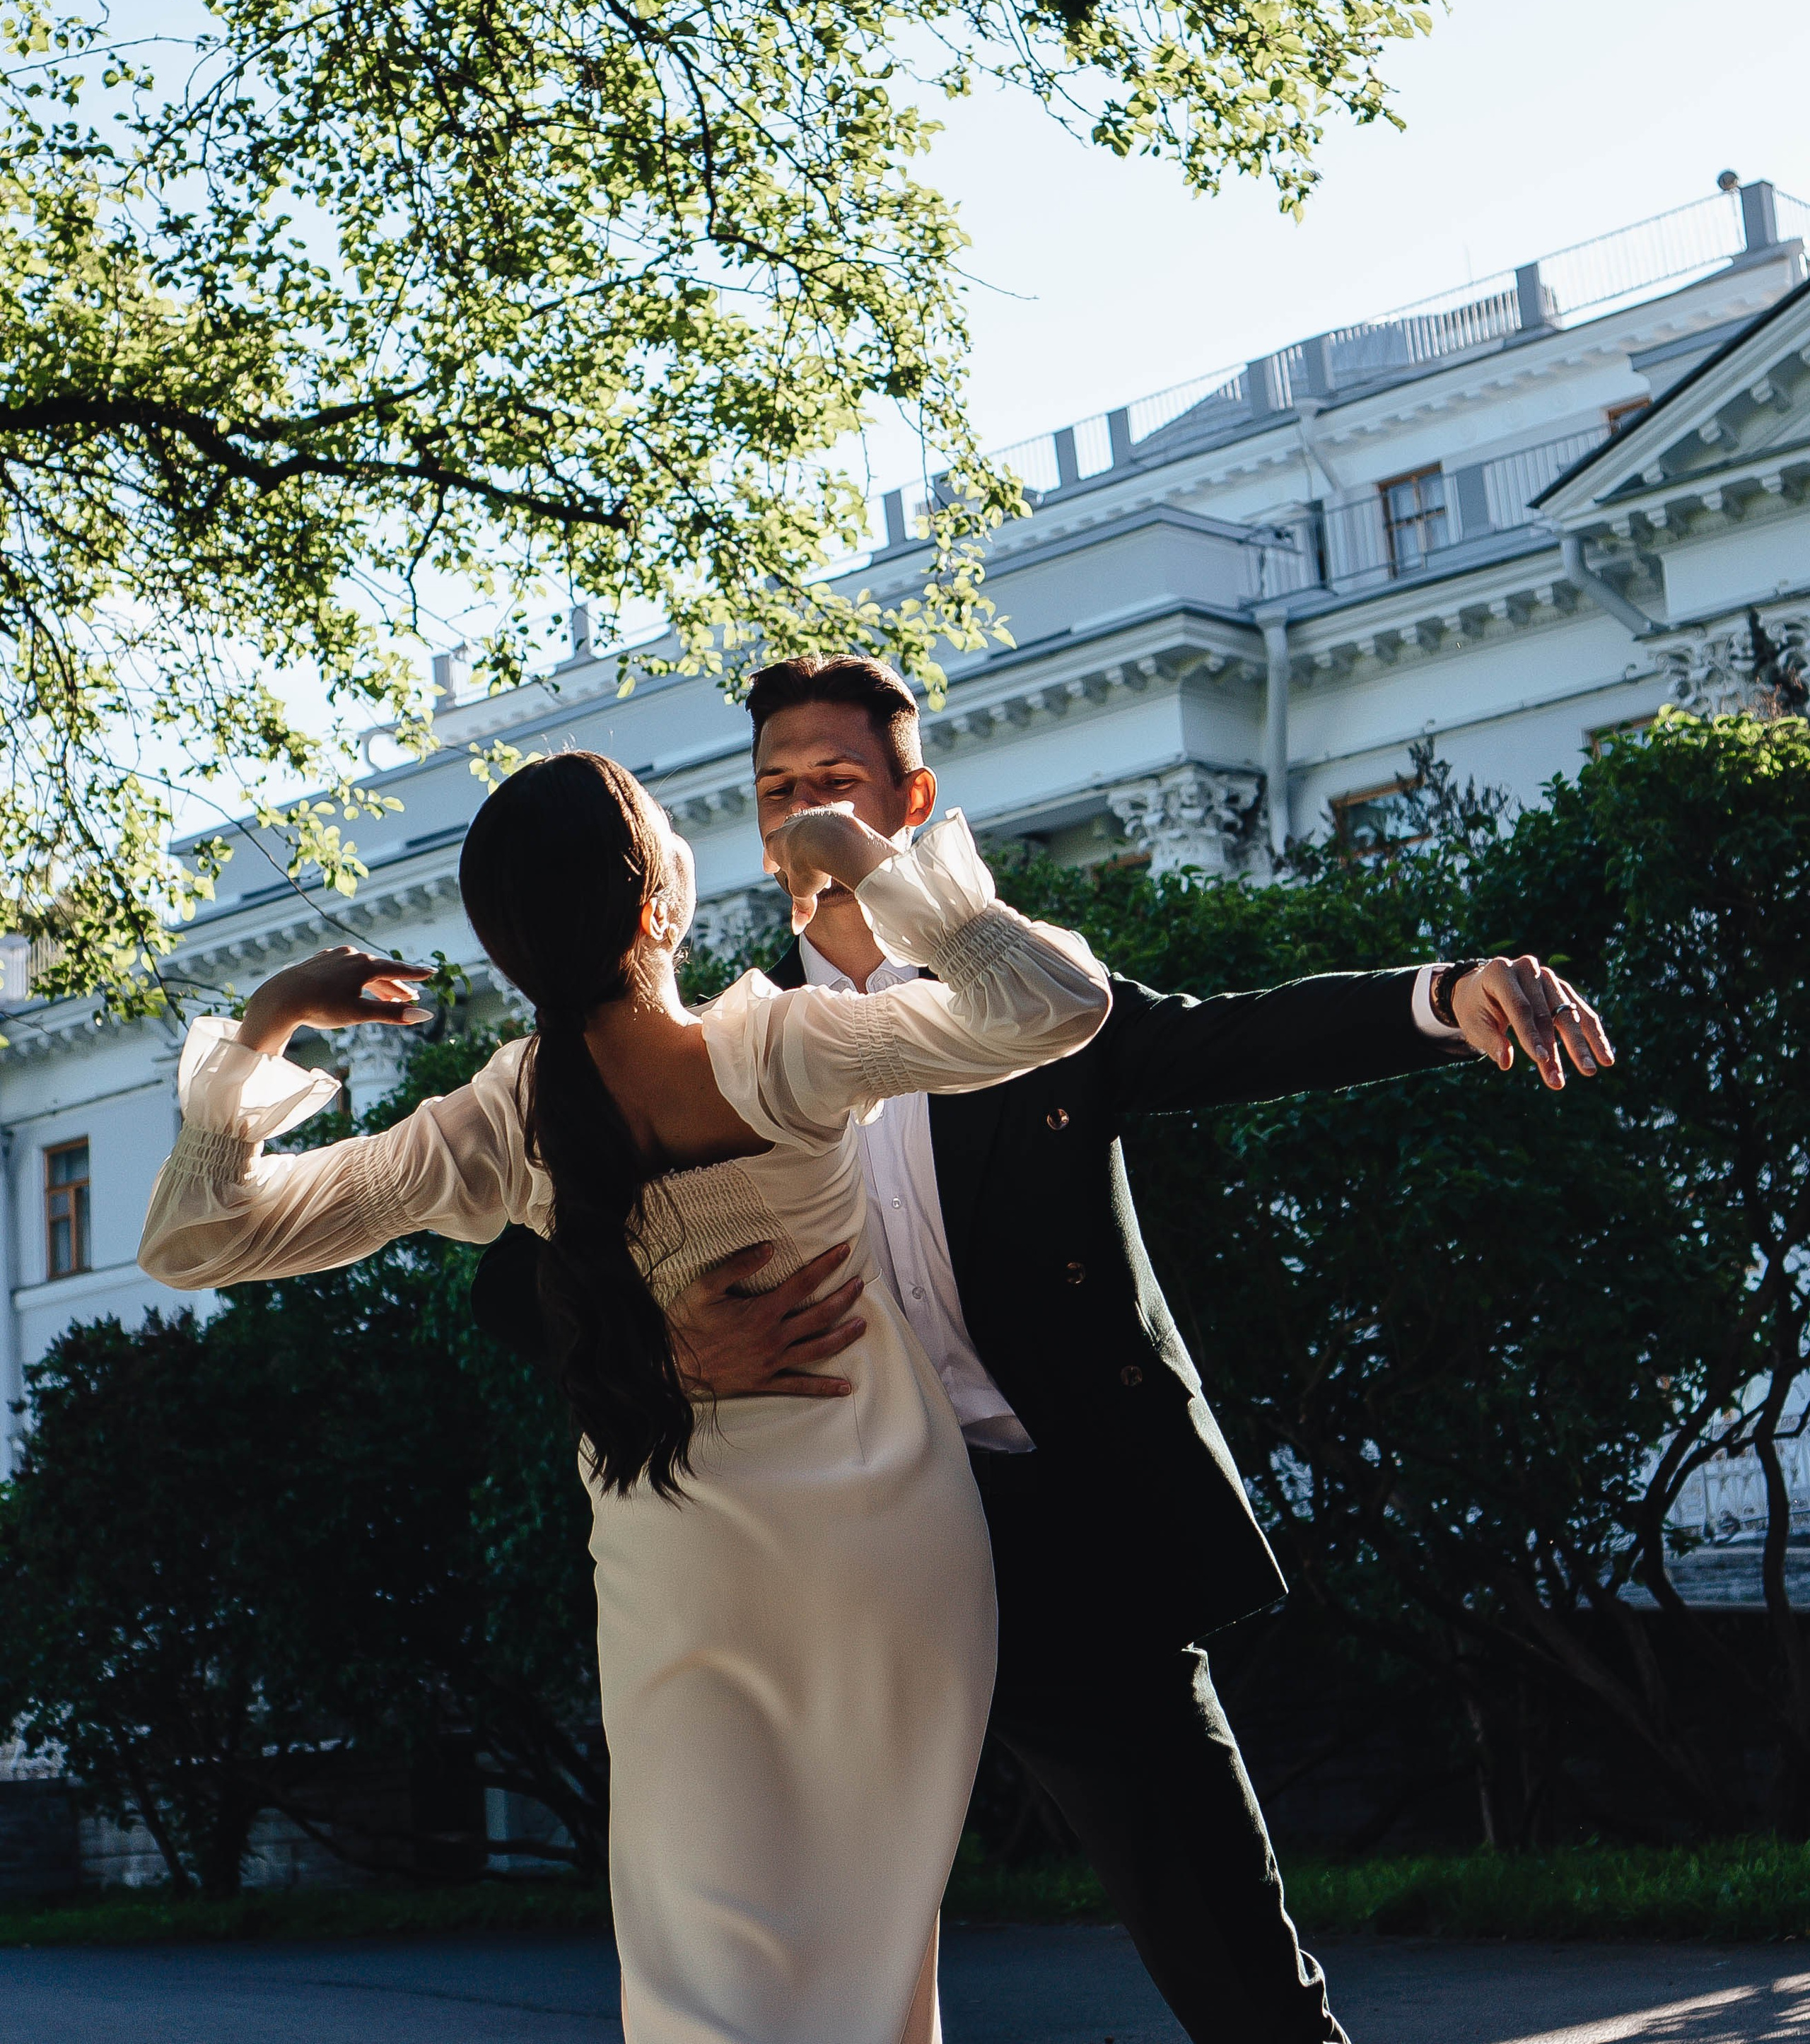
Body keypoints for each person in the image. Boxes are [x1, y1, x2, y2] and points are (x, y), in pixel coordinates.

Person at [474, 657, 1615, 2044]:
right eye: (775, 791)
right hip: (821, 1557)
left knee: (1231, 1964)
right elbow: (521, 1281)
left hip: (1051, 1530)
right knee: (809, 1970)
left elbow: (1224, 1040)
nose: (798, 817)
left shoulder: (1007, 992)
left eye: (833, 785)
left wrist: (1445, 994)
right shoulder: (709, 1049)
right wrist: (663, 1340)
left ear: (913, 803)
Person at [138, 752, 1112, 2044]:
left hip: (678, 1558)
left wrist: (267, 1020)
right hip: (887, 1549)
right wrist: (862, 855)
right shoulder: (781, 1048)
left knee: (708, 1981)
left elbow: (196, 1242)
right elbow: (1056, 1008)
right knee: (871, 1964)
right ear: (662, 904)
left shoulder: (498, 1124)